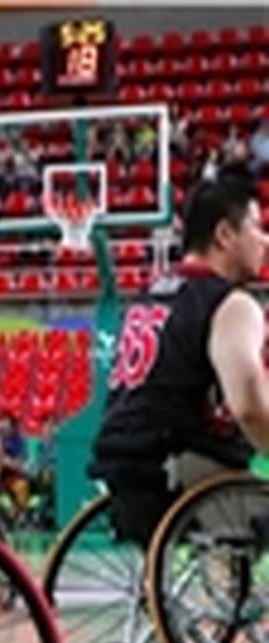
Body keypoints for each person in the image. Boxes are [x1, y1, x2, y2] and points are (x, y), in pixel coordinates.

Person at [90, 168, 269, 545]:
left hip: (121, 468)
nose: (265, 241)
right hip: (177, 469)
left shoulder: (149, 295)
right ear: (224, 234)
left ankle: (223, 576)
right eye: (257, 228)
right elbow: (249, 408)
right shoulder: (230, 304)